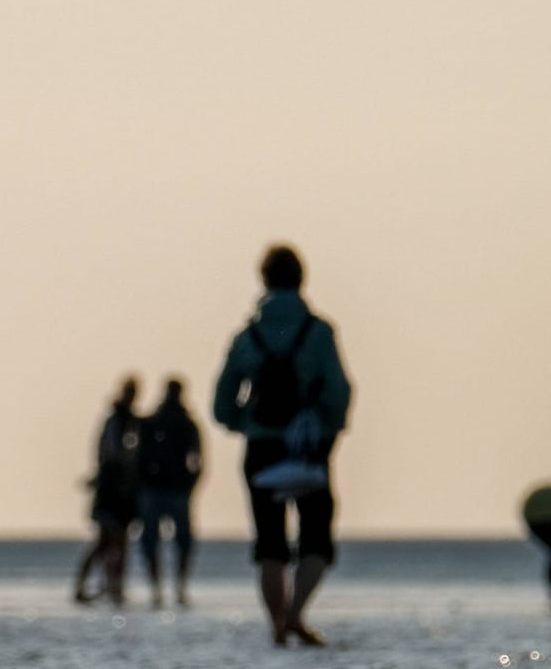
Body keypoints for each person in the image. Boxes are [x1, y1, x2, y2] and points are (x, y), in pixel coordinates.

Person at [212, 245, 352, 647]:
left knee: (269, 541)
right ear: (301, 279)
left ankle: (276, 625)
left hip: (261, 447)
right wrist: (327, 430)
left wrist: (246, 424)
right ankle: (296, 614)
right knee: (316, 536)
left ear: (263, 280)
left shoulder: (247, 336)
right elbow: (339, 391)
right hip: (308, 446)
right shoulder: (319, 332)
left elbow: (222, 401)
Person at [136, 377, 202, 608]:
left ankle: (172, 588)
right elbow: (198, 460)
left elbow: (198, 459)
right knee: (158, 541)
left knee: (173, 541)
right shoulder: (160, 422)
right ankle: (168, 588)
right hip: (163, 489)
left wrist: (191, 485)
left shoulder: (175, 423)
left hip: (170, 490)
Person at [73, 378, 140, 605]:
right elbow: (111, 455)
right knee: (106, 541)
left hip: (121, 491)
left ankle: (114, 587)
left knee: (119, 542)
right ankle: (90, 586)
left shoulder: (129, 421)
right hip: (111, 490)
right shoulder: (116, 422)